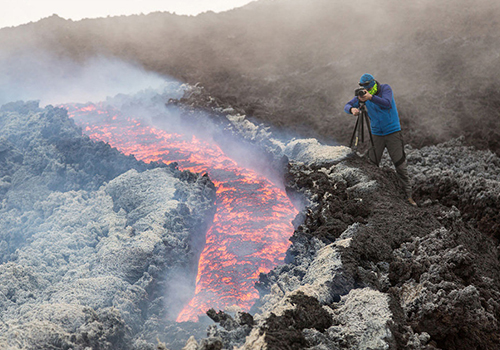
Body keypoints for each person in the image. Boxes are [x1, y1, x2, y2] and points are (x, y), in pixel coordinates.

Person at [344, 73, 417, 207]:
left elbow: (387, 103)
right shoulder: (363, 96)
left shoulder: (385, 89)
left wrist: (371, 97)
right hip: (376, 134)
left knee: (399, 164)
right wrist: (352, 109)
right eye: (362, 86)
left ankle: (408, 197)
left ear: (372, 83)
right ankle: (374, 195)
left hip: (392, 132)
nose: (364, 88)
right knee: (372, 164)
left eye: (366, 85)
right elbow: (347, 106)